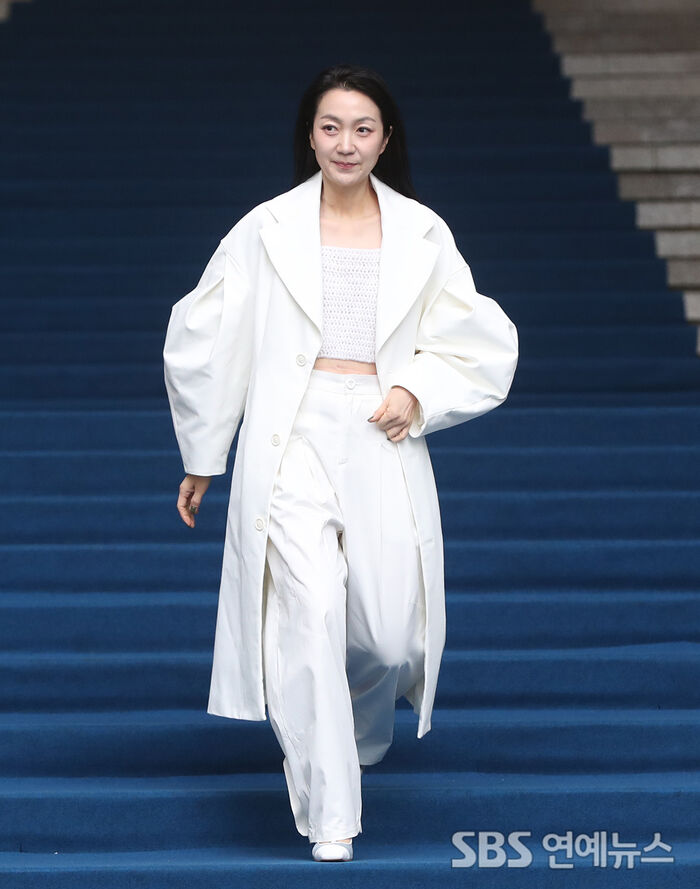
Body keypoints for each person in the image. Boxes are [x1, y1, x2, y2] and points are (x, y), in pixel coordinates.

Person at [162, 63, 518, 863]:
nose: (345, 143)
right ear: (310, 135)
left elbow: (483, 340)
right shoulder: (265, 229)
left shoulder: (423, 233)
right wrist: (205, 451)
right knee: (310, 609)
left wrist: (416, 390)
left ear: (386, 138)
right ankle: (331, 810)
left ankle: (351, 732)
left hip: (379, 431)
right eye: (330, 127)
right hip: (290, 436)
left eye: (362, 128)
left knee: (391, 635)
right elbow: (207, 333)